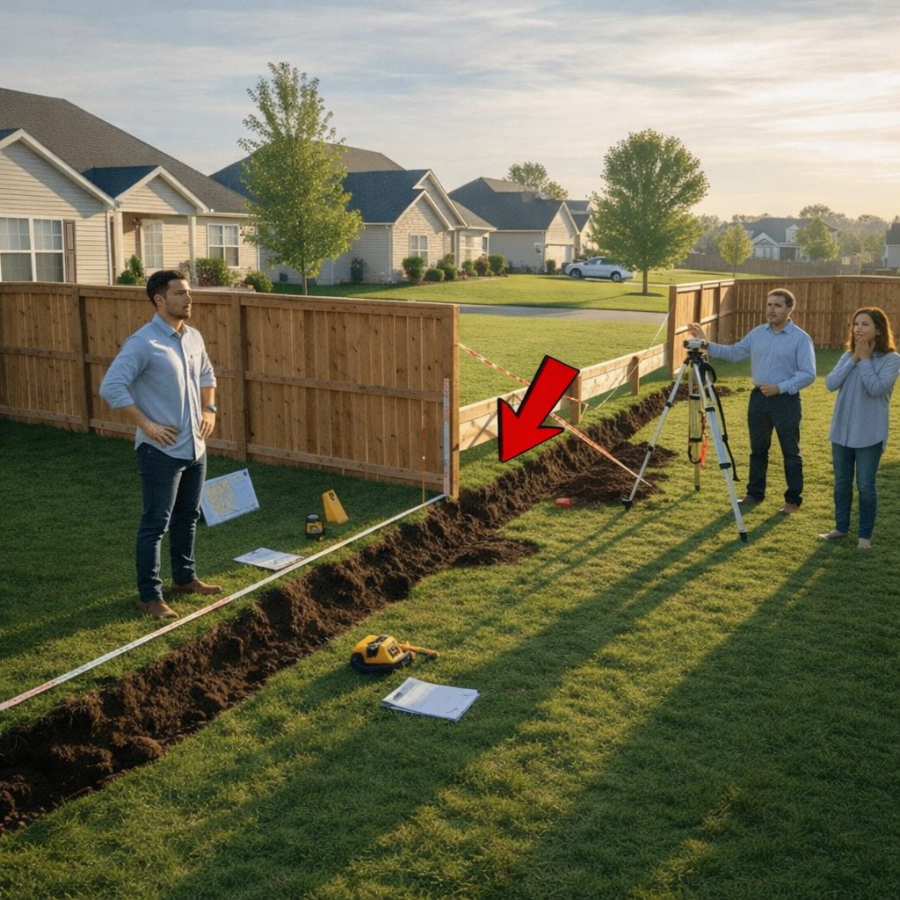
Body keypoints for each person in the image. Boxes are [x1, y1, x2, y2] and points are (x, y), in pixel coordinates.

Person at [100, 270, 222, 619]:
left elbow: (207, 376)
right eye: (181, 293)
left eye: (189, 292)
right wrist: (147, 425)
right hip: (160, 452)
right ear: (159, 299)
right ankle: (149, 597)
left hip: (195, 448)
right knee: (156, 524)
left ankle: (184, 579)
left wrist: (209, 409)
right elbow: (111, 387)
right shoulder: (143, 342)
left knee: (188, 516)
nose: (189, 299)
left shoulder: (193, 337)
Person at [687, 288, 816, 514]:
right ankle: (755, 493)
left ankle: (792, 501)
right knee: (758, 449)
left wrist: (780, 387)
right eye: (769, 304)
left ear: (789, 309)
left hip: (786, 401)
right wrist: (705, 343)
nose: (771, 309)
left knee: (790, 452)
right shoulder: (758, 333)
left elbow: (808, 373)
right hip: (758, 399)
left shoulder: (800, 339)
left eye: (777, 305)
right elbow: (735, 353)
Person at [819, 307, 899, 550]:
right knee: (842, 483)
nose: (858, 329)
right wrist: (854, 358)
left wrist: (865, 360)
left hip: (869, 433)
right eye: (856, 324)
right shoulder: (847, 356)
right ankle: (841, 528)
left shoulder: (892, 360)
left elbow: (876, 389)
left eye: (864, 324)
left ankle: (865, 537)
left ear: (878, 329)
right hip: (841, 432)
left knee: (865, 486)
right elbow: (830, 383)